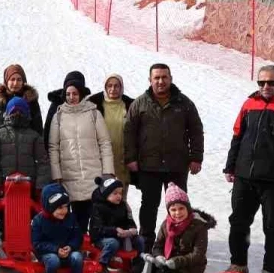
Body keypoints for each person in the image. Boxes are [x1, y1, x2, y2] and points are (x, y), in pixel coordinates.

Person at [224, 64, 274, 273]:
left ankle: (271, 270)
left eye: (271, 82)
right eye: (261, 82)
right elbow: (237, 135)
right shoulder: (249, 103)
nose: (266, 86)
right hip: (245, 175)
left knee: (272, 225)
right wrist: (231, 166)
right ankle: (238, 264)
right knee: (238, 221)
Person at [124, 64, 204, 247]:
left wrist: (196, 157)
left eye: (164, 77)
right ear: (150, 80)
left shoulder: (184, 103)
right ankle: (146, 242)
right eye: (156, 78)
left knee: (177, 206)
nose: (160, 81)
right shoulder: (139, 104)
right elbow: (129, 132)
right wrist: (131, 158)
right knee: (149, 206)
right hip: (148, 166)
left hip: (176, 165)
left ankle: (178, 243)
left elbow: (196, 131)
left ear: (170, 78)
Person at [48, 74, 115, 233]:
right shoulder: (58, 116)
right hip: (69, 177)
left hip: (93, 176)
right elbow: (53, 147)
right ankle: (78, 251)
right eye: (68, 94)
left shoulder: (94, 113)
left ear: (82, 93)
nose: (71, 97)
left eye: (75, 93)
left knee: (97, 218)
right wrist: (56, 175)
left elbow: (105, 143)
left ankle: (98, 252)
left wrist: (107, 172)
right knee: (77, 220)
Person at [143, 185, 215, 273]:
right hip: (169, 263)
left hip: (191, 268)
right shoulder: (166, 224)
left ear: (188, 208)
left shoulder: (198, 226)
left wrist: (177, 261)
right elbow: (158, 245)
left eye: (181, 208)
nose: (177, 213)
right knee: (150, 265)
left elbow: (198, 254)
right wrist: (159, 256)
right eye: (173, 209)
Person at [0, 96, 51, 199]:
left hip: (29, 187)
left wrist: (40, 186)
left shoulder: (34, 136)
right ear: (8, 113)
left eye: (21, 111)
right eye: (13, 111)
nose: (17, 114)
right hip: (4, 187)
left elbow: (43, 162)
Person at [31, 183, 85, 273]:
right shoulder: (38, 221)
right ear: (49, 207)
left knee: (77, 257)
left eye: (66, 206)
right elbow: (37, 244)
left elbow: (77, 236)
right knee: (53, 260)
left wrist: (70, 246)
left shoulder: (70, 218)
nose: (64, 211)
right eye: (60, 207)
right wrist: (55, 249)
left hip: (67, 251)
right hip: (48, 254)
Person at [89, 176, 143, 273]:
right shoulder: (98, 208)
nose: (119, 196)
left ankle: (138, 263)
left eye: (120, 193)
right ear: (106, 194)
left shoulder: (123, 206)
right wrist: (115, 230)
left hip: (122, 236)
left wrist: (132, 229)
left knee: (139, 240)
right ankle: (102, 265)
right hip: (102, 238)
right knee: (112, 243)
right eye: (115, 193)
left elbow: (130, 220)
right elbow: (97, 229)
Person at [89, 74, 134, 193]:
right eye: (109, 86)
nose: (113, 89)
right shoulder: (94, 106)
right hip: (101, 162)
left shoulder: (130, 106)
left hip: (122, 161)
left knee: (120, 198)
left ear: (121, 87)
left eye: (116, 86)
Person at [0, 64, 42, 146]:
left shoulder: (31, 101)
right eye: (12, 79)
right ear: (6, 81)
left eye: (19, 79)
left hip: (26, 150)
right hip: (3, 151)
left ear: (23, 81)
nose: (15, 83)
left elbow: (38, 128)